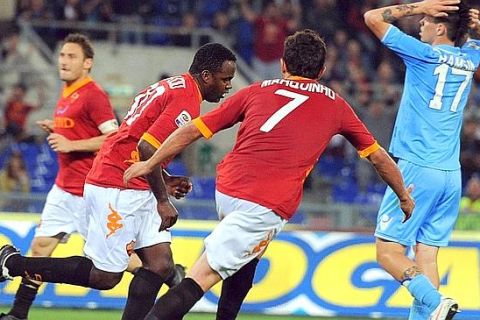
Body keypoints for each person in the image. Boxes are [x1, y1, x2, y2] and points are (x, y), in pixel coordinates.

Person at [122, 29, 415, 320]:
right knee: (201, 277)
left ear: (283, 65)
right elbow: (378, 157)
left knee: (246, 261)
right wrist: (403, 196)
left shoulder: (256, 89)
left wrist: (151, 162)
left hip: (228, 189)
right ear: (322, 70)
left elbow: (195, 128)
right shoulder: (336, 105)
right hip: (265, 203)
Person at [0, 42, 237, 320]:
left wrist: (165, 178)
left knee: (160, 266)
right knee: (105, 276)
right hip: (117, 184)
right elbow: (147, 148)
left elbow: (138, 138)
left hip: (135, 180)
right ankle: (12, 262)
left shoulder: (174, 85)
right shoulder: (186, 100)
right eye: (225, 79)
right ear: (206, 76)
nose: (228, 86)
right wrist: (163, 199)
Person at [364, 1, 480, 319]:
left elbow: (371, 17)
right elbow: (473, 40)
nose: (420, 24)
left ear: (441, 27)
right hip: (450, 174)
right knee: (426, 256)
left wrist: (418, 6)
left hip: (417, 167)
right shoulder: (470, 57)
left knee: (387, 252)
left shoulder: (423, 54)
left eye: (426, 20)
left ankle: (436, 302)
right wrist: (474, 27)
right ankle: (431, 310)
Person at [0, 33, 120, 320]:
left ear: (87, 63)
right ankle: (18, 314)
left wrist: (70, 144)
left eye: (72, 56)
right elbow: (79, 127)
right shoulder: (67, 92)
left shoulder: (94, 95)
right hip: (63, 188)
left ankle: (167, 276)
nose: (64, 61)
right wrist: (57, 128)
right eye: (62, 55)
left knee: (116, 263)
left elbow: (115, 138)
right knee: (40, 248)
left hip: (89, 192)